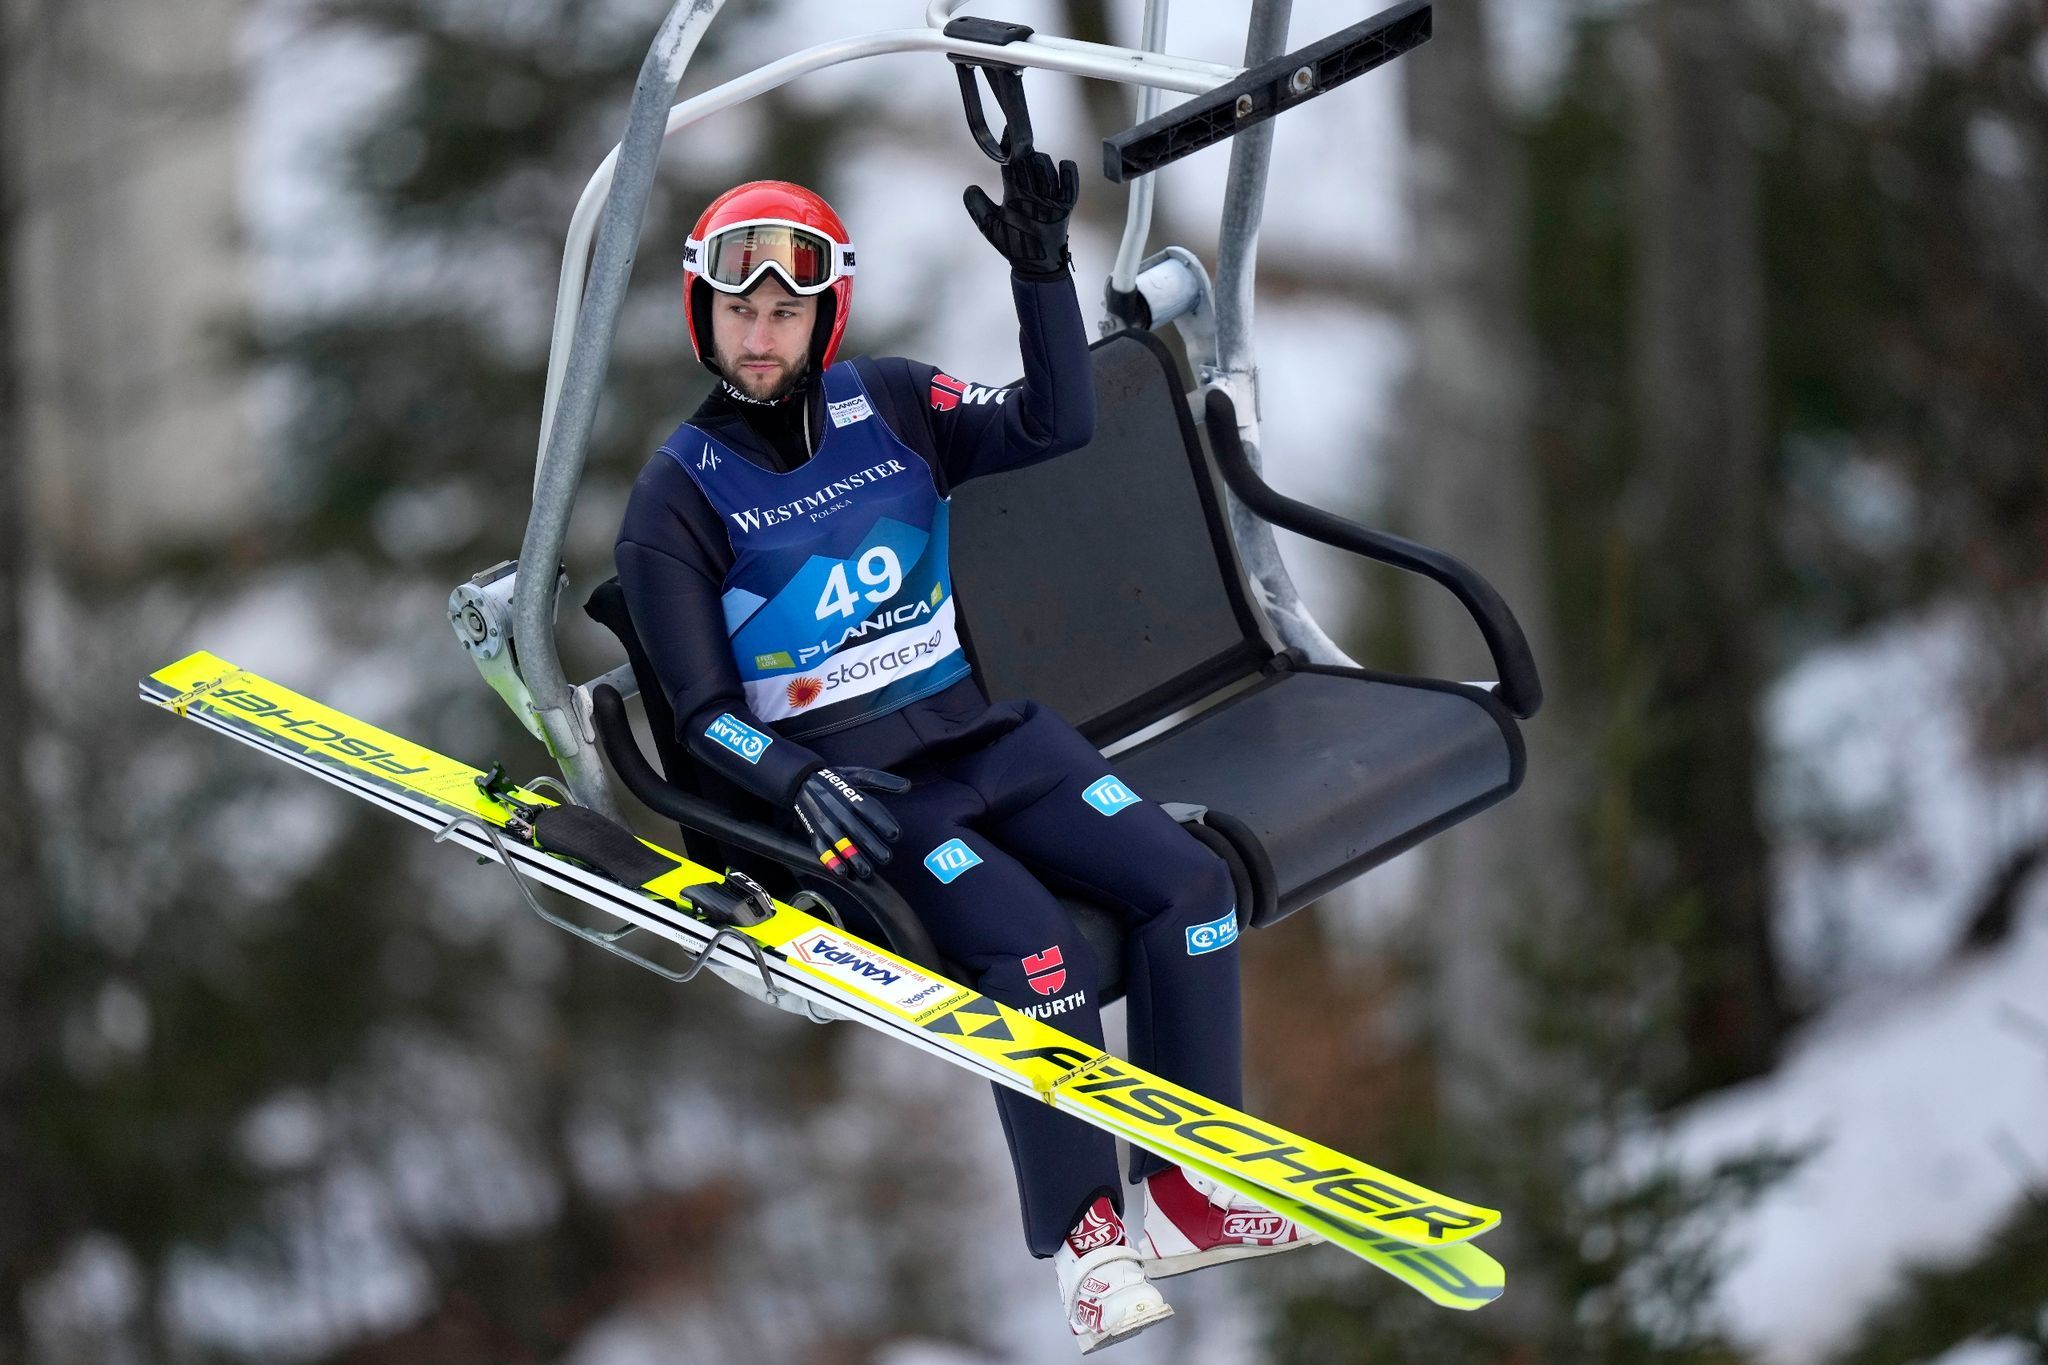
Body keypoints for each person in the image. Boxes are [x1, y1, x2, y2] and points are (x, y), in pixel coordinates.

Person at [615, 156, 1315, 1353]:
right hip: (878, 797)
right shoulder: (676, 498)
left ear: (822, 315)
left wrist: (1040, 274)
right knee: (1035, 956)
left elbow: (1055, 422)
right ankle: (1089, 1246)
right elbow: (699, 718)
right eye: (741, 311)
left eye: (785, 311)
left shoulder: (885, 402)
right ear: (705, 315)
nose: (761, 335)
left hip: (988, 737)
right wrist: (795, 778)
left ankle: (1194, 1195)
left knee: (1190, 888)